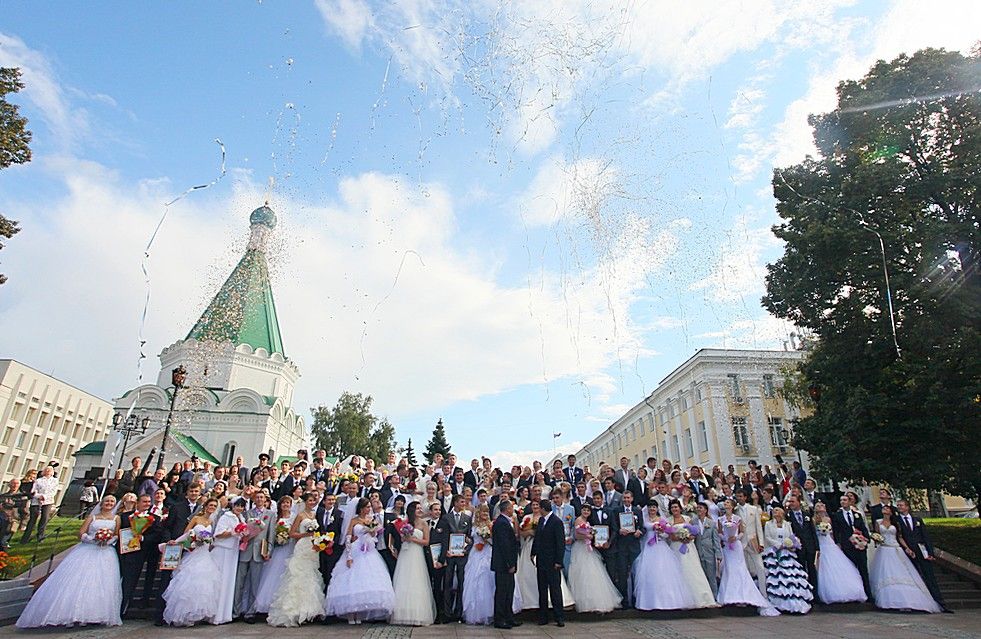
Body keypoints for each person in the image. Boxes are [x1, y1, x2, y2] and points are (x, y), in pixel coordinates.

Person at [16, 494, 122, 628]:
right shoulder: (92, 517)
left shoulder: (116, 518)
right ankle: (67, 613)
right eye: (107, 501)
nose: (109, 503)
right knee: (78, 580)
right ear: (101, 503)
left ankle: (93, 613)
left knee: (101, 582)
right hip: (88, 549)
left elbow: (117, 534)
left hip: (106, 552)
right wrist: (92, 539)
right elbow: (81, 532)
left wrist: (107, 540)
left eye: (112, 501)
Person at [325, 497, 396, 624]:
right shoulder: (354, 520)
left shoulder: (371, 520)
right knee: (352, 580)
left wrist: (373, 531)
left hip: (368, 550)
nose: (369, 509)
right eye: (367, 507)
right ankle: (351, 614)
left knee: (367, 580)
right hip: (355, 549)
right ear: (361, 508)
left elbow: (374, 536)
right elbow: (348, 538)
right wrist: (349, 556)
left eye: (370, 506)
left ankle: (361, 613)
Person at [267, 492, 327, 626]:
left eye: (314, 500)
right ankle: (295, 611)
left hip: (313, 548)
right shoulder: (300, 516)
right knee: (298, 577)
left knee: (311, 578)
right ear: (304, 502)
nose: (312, 502)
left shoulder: (314, 515)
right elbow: (292, 533)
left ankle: (309, 611)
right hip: (302, 546)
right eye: (310, 500)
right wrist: (305, 534)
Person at [160, 498, 223, 626]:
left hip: (205, 554)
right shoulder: (196, 519)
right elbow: (186, 534)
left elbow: (212, 539)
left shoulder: (212, 521)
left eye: (214, 506)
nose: (212, 507)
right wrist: (188, 541)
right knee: (188, 582)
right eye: (210, 505)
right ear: (205, 506)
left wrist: (208, 541)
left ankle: (197, 614)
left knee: (204, 585)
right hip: (194, 552)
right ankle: (184, 614)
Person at [869, 504, 941, 613]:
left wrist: (907, 548)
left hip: (895, 548)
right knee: (886, 573)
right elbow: (877, 535)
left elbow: (899, 537)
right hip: (884, 549)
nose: (885, 509)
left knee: (903, 572)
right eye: (884, 508)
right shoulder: (878, 522)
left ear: (891, 512)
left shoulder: (896, 523)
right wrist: (876, 539)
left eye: (887, 508)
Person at [716, 499, 779, 616]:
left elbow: (741, 531)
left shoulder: (737, 518)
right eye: (725, 504)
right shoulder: (720, 519)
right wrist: (725, 538)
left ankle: (745, 594)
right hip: (727, 546)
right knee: (729, 569)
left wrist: (736, 538)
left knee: (740, 569)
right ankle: (729, 595)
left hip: (736, 545)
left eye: (728, 504)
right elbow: (719, 532)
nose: (726, 505)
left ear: (733, 506)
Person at [155, 482, 203, 625]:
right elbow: (167, 527)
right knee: (166, 579)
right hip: (175, 547)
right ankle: (160, 615)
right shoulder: (177, 507)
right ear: (187, 493)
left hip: (192, 550)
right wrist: (169, 540)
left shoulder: (202, 510)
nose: (194, 494)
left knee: (183, 582)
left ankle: (179, 614)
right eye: (191, 491)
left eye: (196, 491)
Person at [633, 503, 696, 611]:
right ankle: (649, 602)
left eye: (653, 507)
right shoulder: (644, 519)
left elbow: (668, 534)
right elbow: (643, 530)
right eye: (650, 507)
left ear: (657, 508)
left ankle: (667, 601)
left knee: (663, 572)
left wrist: (661, 532)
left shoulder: (662, 519)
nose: (652, 509)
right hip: (648, 547)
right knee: (648, 573)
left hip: (660, 546)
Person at [567, 503, 621, 613]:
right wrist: (588, 536)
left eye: (588, 510)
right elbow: (577, 536)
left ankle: (594, 601)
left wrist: (592, 536)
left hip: (588, 548)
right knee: (581, 573)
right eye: (584, 510)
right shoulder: (578, 520)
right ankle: (583, 601)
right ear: (581, 511)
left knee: (592, 573)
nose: (586, 512)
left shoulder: (588, 522)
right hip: (580, 548)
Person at [390, 502, 437, 626]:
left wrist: (413, 539)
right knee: (404, 579)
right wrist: (404, 537)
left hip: (417, 553)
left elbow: (426, 542)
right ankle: (402, 613)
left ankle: (418, 613)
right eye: (417, 508)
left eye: (420, 508)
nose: (420, 510)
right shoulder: (405, 523)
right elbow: (399, 538)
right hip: (405, 553)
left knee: (416, 579)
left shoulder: (424, 523)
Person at [896, 499, 948, 611]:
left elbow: (925, 537)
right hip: (908, 552)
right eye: (898, 505)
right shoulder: (897, 521)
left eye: (901, 505)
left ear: (907, 507)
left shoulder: (917, 520)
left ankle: (940, 602)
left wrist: (930, 552)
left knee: (929, 576)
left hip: (921, 550)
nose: (899, 507)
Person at [812, 502, 867, 604]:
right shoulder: (814, 520)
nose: (821, 507)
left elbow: (832, 533)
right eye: (818, 506)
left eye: (822, 506)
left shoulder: (829, 519)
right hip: (821, 544)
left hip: (830, 543)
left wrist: (836, 543)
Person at [667, 499, 718, 608]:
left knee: (692, 570)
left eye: (676, 507)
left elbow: (694, 532)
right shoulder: (669, 521)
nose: (674, 509)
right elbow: (670, 536)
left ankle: (702, 597)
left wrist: (688, 537)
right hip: (676, 548)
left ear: (680, 508)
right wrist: (680, 538)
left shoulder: (688, 519)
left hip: (688, 547)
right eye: (672, 508)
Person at [118, 493, 163, 616]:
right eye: (144, 501)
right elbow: (120, 531)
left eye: (149, 502)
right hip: (129, 552)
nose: (147, 504)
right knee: (127, 581)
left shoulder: (155, 518)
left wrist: (142, 538)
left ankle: (140, 602)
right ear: (137, 502)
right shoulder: (125, 516)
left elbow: (157, 534)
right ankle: (122, 607)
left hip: (146, 551)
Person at [762, 507, 813, 613]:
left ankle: (793, 601)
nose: (775, 512)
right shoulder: (768, 524)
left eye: (777, 510)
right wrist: (778, 545)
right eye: (774, 511)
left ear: (782, 513)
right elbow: (767, 537)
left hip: (786, 551)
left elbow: (791, 536)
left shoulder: (787, 524)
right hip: (774, 551)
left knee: (789, 576)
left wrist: (789, 544)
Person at [235, 492, 274, 622]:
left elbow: (271, 535)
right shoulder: (246, 514)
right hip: (245, 550)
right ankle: (235, 611)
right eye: (257, 497)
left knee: (254, 584)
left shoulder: (270, 514)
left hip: (259, 552)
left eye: (262, 497)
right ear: (254, 499)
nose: (259, 499)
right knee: (239, 582)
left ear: (265, 500)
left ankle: (250, 612)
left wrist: (268, 551)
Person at [254, 496, 296, 615]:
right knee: (273, 574)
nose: (285, 505)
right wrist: (278, 538)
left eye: (288, 503)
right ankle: (267, 605)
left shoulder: (294, 517)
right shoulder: (275, 517)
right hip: (278, 549)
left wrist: (287, 537)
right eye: (283, 503)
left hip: (289, 547)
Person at [531, 493, 567, 627]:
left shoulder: (556, 522)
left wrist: (559, 561)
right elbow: (538, 538)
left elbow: (560, 543)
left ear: (543, 508)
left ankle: (559, 616)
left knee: (555, 590)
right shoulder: (541, 521)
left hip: (552, 562)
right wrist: (533, 552)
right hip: (541, 560)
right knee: (542, 589)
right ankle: (543, 616)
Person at [461, 504, 500, 625]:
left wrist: (487, 539)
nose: (485, 515)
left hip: (488, 552)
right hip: (476, 553)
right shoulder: (474, 525)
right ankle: (476, 612)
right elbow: (471, 538)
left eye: (487, 513)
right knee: (474, 580)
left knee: (488, 580)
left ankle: (491, 612)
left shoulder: (491, 525)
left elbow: (494, 539)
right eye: (483, 512)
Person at [832, 494, 873, 601]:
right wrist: (838, 543)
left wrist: (866, 539)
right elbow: (836, 531)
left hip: (859, 545)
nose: (843, 502)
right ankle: (856, 592)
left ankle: (868, 593)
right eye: (841, 500)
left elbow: (863, 528)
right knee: (852, 569)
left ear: (850, 502)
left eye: (845, 500)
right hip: (847, 545)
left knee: (863, 569)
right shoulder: (837, 515)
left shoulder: (857, 515)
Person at [213, 498, 246, 624]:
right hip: (223, 550)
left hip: (233, 551)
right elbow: (218, 534)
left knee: (229, 582)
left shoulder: (242, 518)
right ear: (233, 506)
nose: (239, 508)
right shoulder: (226, 517)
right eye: (237, 506)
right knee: (221, 580)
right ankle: (217, 613)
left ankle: (225, 614)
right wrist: (233, 532)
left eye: (242, 506)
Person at [441, 494, 473, 621]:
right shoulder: (446, 517)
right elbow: (443, 537)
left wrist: (466, 549)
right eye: (461, 502)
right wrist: (445, 553)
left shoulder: (467, 518)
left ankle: (459, 612)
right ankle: (447, 613)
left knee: (461, 583)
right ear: (455, 503)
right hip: (449, 555)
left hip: (462, 556)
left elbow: (470, 537)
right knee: (448, 583)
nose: (463, 504)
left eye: (464, 502)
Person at [491, 499, 522, 629]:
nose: (512, 510)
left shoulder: (505, 522)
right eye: (511, 508)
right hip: (503, 564)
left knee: (509, 591)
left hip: (507, 563)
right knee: (502, 592)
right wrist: (510, 564)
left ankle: (509, 617)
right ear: (506, 509)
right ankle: (500, 619)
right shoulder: (501, 523)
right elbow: (505, 546)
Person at [735, 487, 766, 595]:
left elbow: (758, 527)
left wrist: (761, 543)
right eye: (737, 496)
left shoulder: (753, 509)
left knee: (760, 567)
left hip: (753, 541)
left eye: (740, 496)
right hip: (741, 542)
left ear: (745, 497)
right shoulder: (735, 510)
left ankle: (763, 593)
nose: (739, 498)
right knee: (744, 568)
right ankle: (748, 593)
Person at [786, 495, 818, 590]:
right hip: (798, 548)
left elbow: (812, 531)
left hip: (810, 546)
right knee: (801, 570)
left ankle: (815, 593)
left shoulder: (807, 514)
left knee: (812, 571)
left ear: (799, 502)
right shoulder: (788, 516)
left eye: (793, 501)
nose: (790, 504)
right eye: (789, 502)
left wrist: (816, 547)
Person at [21, 465, 58, 543]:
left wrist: (44, 497)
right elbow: (33, 491)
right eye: (46, 470)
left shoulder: (55, 481)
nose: (48, 471)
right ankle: (25, 538)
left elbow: (53, 492)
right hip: (36, 501)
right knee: (32, 519)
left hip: (48, 501)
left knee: (44, 518)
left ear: (52, 472)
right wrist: (39, 496)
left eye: (50, 470)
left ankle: (40, 536)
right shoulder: (38, 480)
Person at [694, 502, 721, 598]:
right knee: (702, 575)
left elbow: (716, 539)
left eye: (700, 508)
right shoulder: (694, 522)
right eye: (697, 508)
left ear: (705, 510)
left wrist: (718, 553)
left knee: (711, 575)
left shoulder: (711, 523)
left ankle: (714, 596)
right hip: (698, 550)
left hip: (709, 551)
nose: (698, 510)